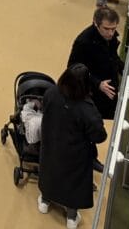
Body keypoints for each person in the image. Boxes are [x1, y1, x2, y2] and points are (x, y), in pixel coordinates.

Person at [38, 64, 108, 229]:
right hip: (75, 154)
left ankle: (44, 202)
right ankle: (71, 217)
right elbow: (100, 136)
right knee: (74, 183)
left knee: (49, 171)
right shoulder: (86, 109)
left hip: (51, 144)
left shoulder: (51, 93)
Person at [67, 8, 124, 121]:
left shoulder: (110, 38)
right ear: (95, 23)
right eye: (106, 29)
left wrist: (125, 69)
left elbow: (113, 56)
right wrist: (98, 84)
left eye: (113, 29)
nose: (110, 33)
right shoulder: (83, 42)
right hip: (91, 93)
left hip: (109, 88)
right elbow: (72, 68)